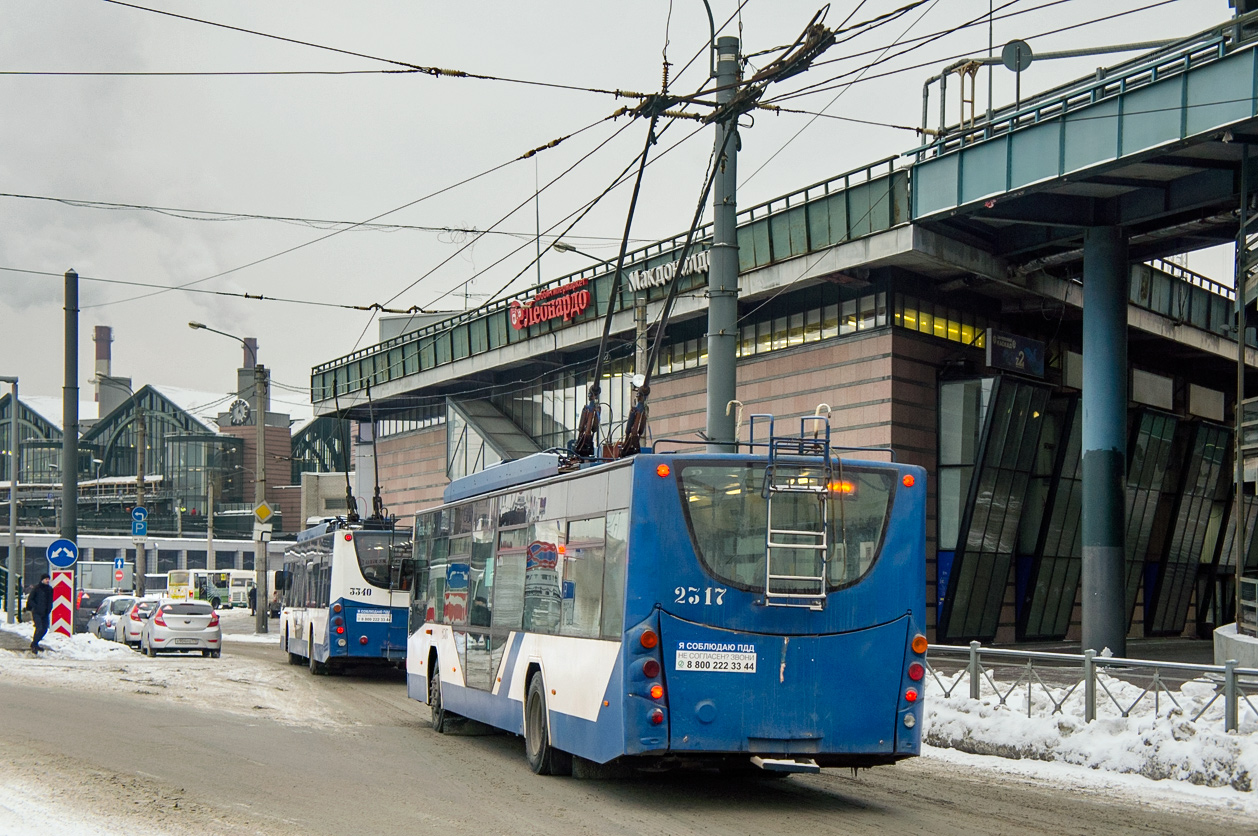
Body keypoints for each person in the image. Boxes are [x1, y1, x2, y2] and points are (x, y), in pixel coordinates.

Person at [24, 573, 54, 654]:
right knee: (39, 628)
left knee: (44, 629)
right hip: (37, 612)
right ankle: (34, 645)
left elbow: (50, 600)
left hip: (45, 612)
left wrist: (49, 608)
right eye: (46, 579)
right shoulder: (37, 588)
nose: (47, 581)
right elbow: (30, 599)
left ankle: (35, 643)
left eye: (48, 579)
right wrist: (35, 607)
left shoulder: (50, 589)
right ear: (42, 580)